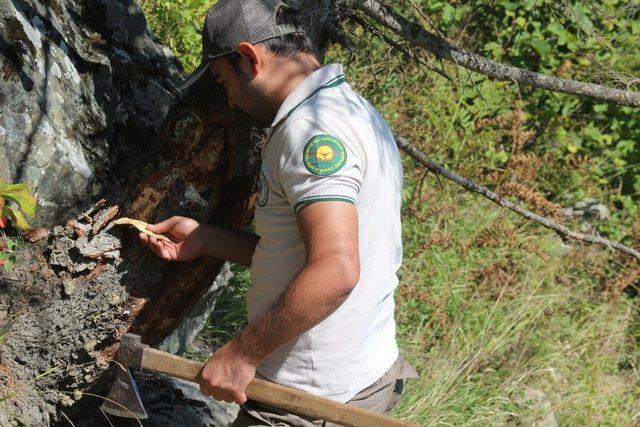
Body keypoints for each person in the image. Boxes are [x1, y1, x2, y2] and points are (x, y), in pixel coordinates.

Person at [138, 0, 417, 425]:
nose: (230, 100)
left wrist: (240, 354)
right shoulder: (351, 108)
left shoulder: (311, 133)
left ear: (250, 58)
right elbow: (306, 255)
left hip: (306, 400)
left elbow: (337, 270)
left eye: (223, 80)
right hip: (363, 378)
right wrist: (208, 239)